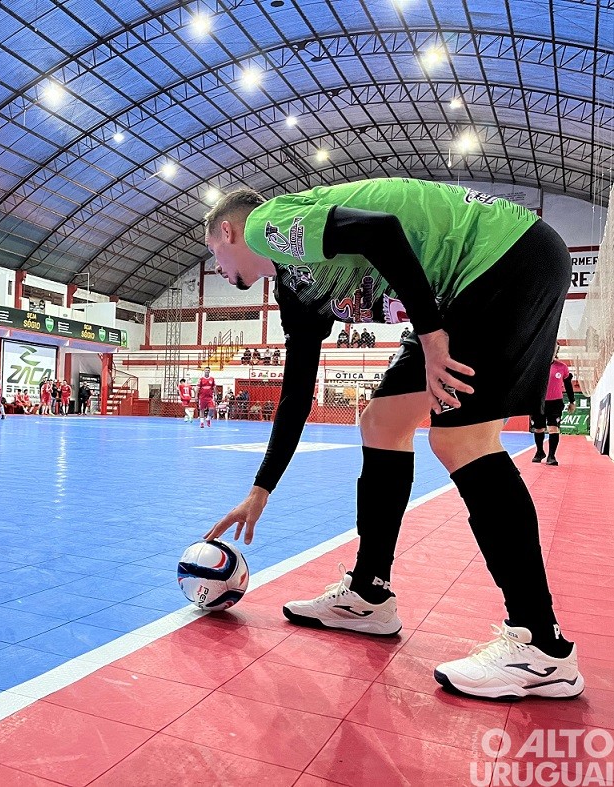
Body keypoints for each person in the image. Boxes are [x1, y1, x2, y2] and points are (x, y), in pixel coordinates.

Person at [202, 178, 582, 701]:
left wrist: (431, 335)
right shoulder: (295, 288)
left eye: (216, 256)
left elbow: (380, 231)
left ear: (229, 230)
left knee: (461, 441)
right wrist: (260, 489)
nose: (219, 271)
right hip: (467, 288)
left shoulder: (269, 224)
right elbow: (296, 393)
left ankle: (542, 647)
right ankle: (368, 594)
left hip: (505, 258)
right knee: (381, 422)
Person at [530, 346, 576, 466]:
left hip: (555, 403)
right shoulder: (536, 365)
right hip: (538, 402)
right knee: (538, 428)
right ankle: (540, 452)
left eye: (554, 347)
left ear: (556, 350)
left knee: (553, 428)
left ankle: (551, 456)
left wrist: (572, 401)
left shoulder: (562, 367)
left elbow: (568, 385)